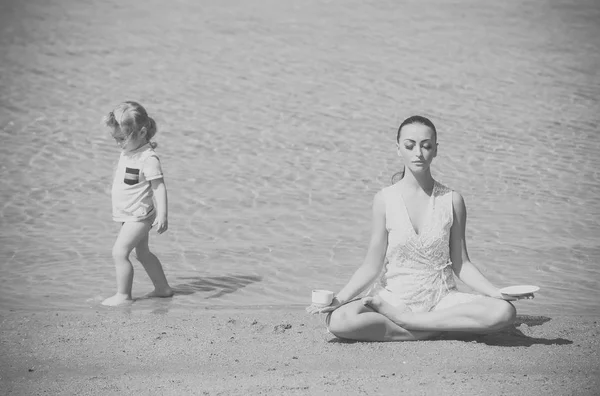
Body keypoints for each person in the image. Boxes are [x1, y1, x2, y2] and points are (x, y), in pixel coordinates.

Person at [307, 115, 533, 341]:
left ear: (435, 150)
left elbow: (461, 263)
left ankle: (411, 324)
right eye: (409, 145)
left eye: (426, 146)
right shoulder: (384, 199)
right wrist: (340, 299)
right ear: (398, 149)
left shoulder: (452, 200)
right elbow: (371, 265)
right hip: (395, 299)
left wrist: (496, 293)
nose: (418, 153)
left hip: (442, 300)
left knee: (504, 312)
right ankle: (436, 328)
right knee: (338, 320)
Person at [102, 101, 174, 306]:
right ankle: (163, 289)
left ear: (142, 133)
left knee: (119, 253)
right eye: (115, 139)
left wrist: (163, 214)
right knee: (142, 253)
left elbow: (159, 187)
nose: (118, 143)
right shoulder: (129, 150)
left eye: (122, 138)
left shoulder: (148, 158)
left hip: (139, 215)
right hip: (129, 213)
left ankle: (123, 296)